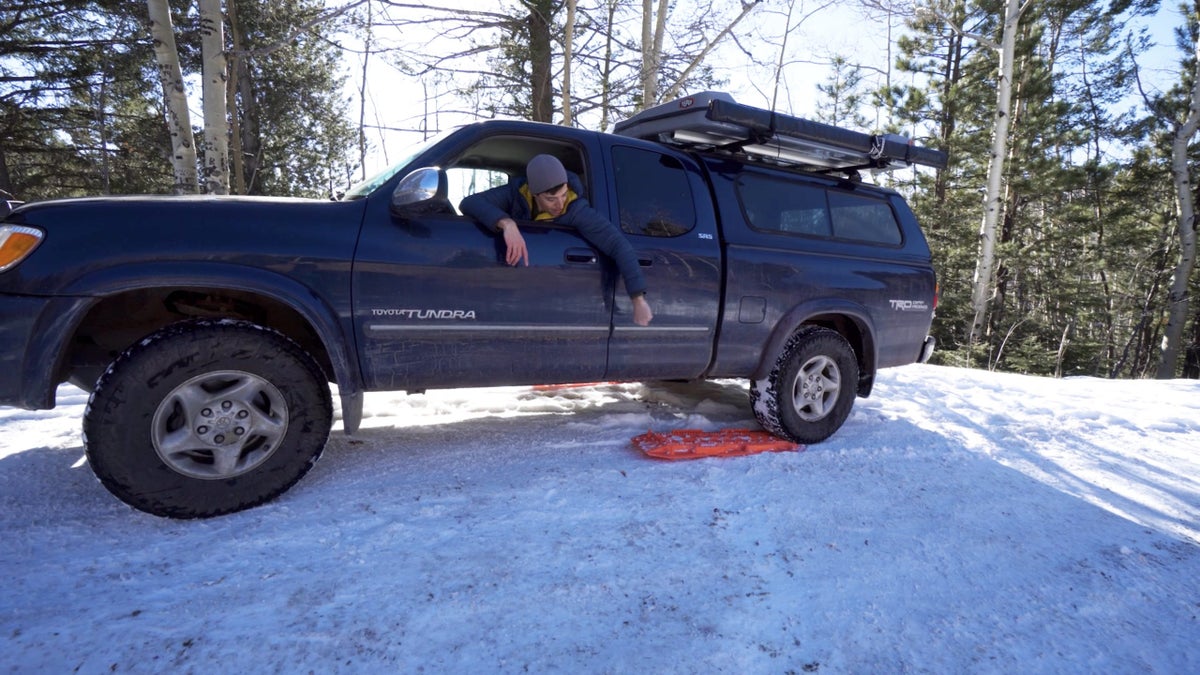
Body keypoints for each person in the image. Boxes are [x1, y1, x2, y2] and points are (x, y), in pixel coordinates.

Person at [459, 154, 653, 326]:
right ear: (534, 194)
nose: (560, 204)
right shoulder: (516, 194)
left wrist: (638, 299)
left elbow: (618, 245)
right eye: (551, 199)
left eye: (563, 195)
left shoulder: (575, 209)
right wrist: (507, 224)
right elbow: (469, 202)